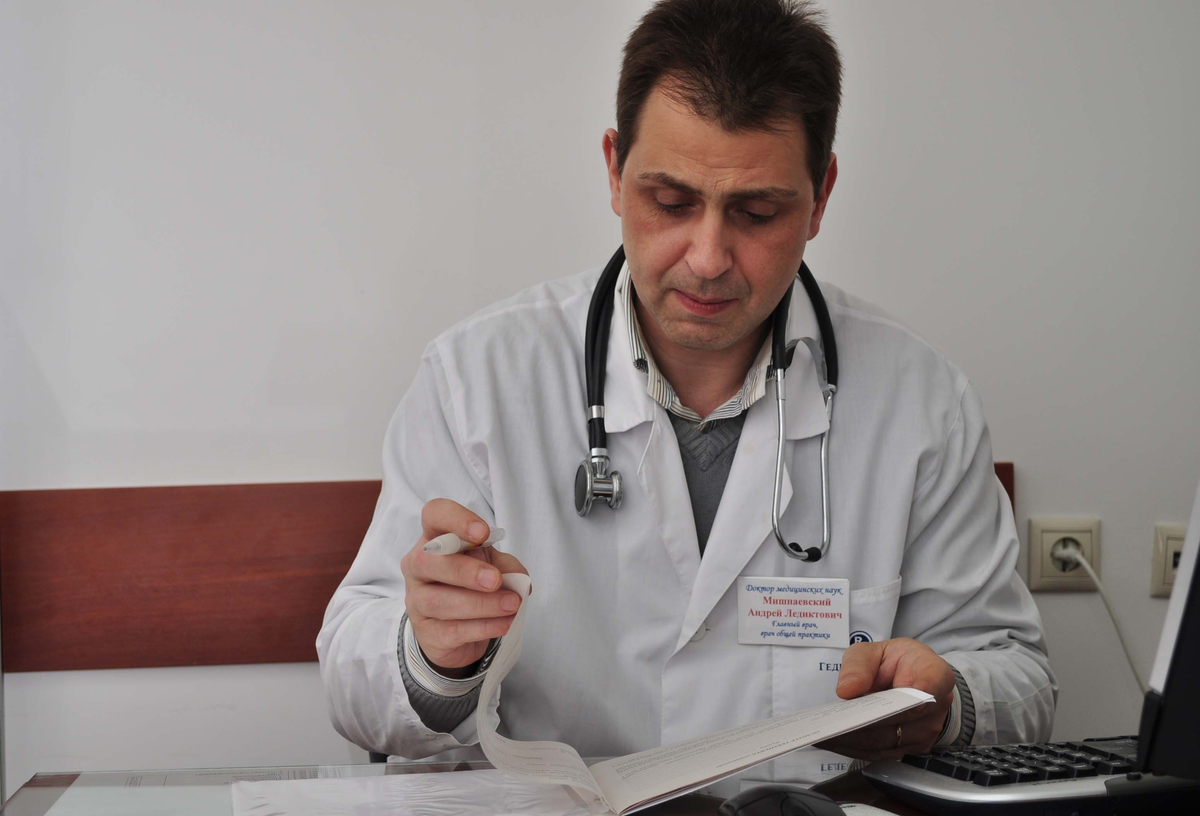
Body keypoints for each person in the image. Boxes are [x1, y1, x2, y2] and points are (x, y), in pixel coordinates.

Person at [317, 0, 1056, 780]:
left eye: (757, 212)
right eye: (671, 203)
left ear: (821, 195)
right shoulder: (478, 379)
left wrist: (948, 704)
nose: (707, 258)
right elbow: (353, 687)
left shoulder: (921, 402)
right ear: (614, 170)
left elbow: (1021, 678)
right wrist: (435, 658)